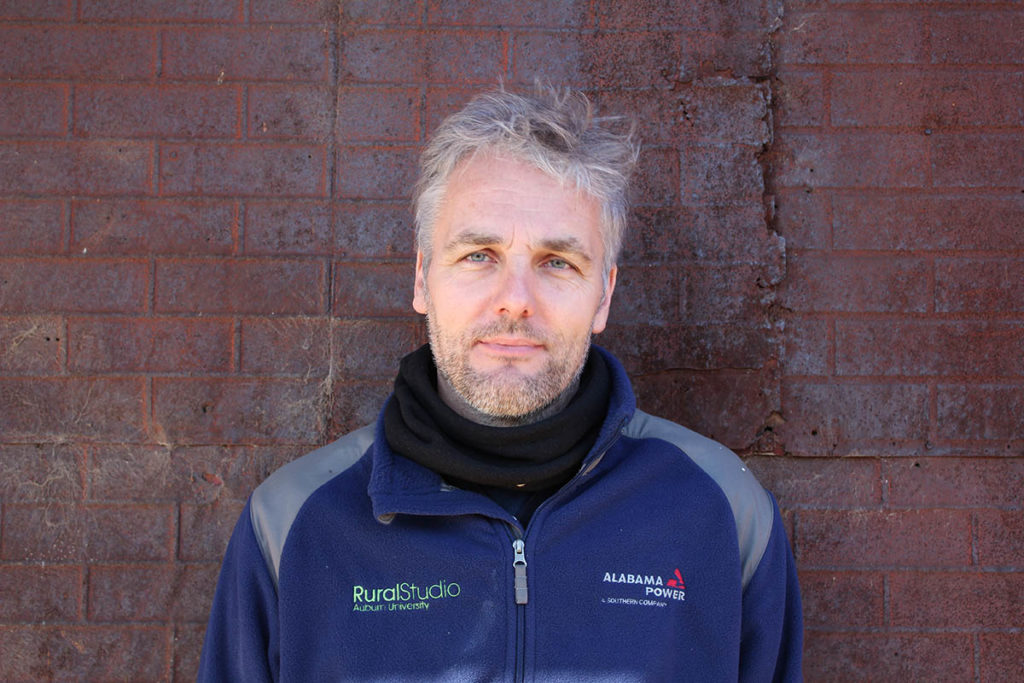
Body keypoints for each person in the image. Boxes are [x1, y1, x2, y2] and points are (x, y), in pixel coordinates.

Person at [198, 84, 802, 682]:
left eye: (557, 262)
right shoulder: (294, 524)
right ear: (421, 279)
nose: (515, 302)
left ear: (604, 296)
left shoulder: (722, 512)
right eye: (479, 255)